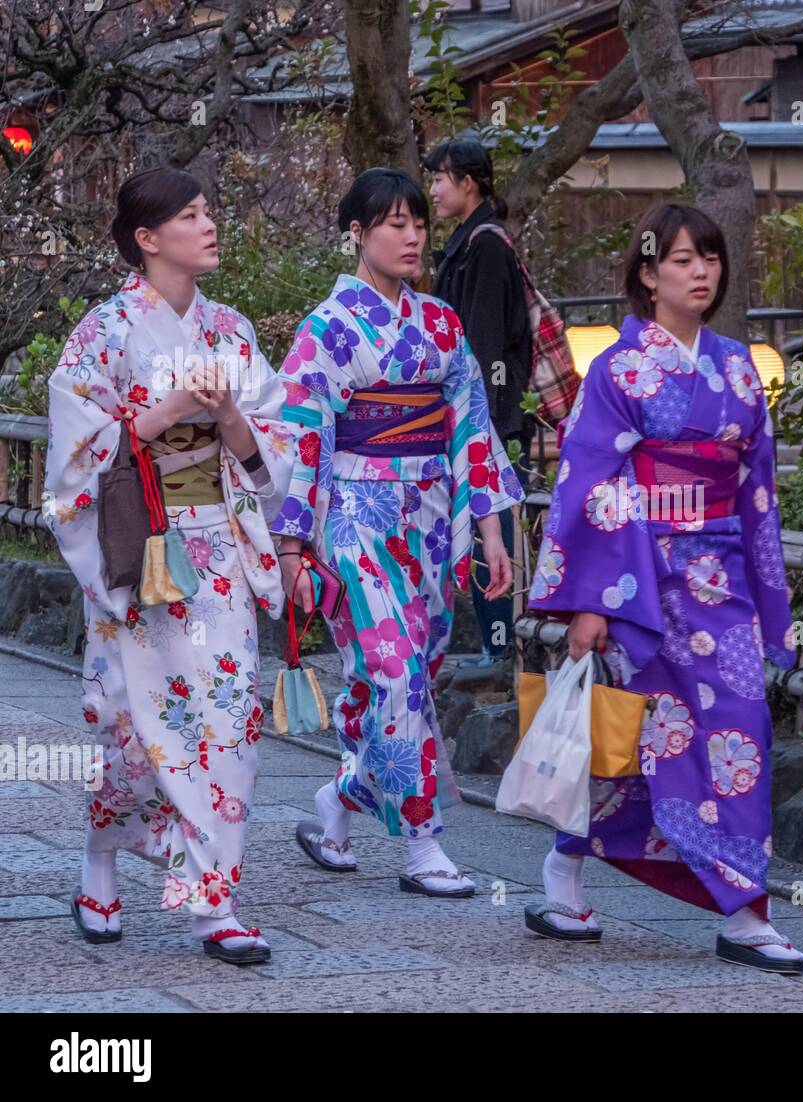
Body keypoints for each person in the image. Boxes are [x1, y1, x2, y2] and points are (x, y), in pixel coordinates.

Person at [523, 203, 803, 974]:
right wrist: (590, 603)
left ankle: (747, 909)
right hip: (641, 584)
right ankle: (566, 871)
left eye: (710, 258)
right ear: (648, 275)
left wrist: (764, 585)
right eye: (683, 260)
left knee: (741, 727)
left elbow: (758, 489)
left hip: (723, 580)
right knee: (636, 735)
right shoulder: (619, 369)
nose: (701, 272)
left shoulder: (741, 365)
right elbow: (590, 478)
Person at [45, 166, 297, 965]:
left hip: (217, 545)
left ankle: (210, 903)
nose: (209, 224)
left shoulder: (234, 330)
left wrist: (226, 415)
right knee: (129, 726)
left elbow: (275, 453)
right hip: (139, 549)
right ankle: (99, 864)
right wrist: (165, 413)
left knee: (227, 729)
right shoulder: (103, 333)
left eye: (207, 210)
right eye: (191, 215)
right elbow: (72, 467)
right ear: (148, 239)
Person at [271, 167, 523, 896]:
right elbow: (302, 437)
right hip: (353, 517)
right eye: (394, 223)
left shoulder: (440, 324)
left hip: (433, 521)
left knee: (408, 678)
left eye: (419, 221)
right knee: (396, 675)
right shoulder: (326, 331)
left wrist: (490, 530)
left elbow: (470, 428)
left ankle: (342, 796)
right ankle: (423, 844)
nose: (413, 235)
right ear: (357, 232)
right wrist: (292, 544)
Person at [428, 139, 533, 669]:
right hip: (475, 413)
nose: (434, 190)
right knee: (480, 526)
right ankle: (491, 644)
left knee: (493, 524)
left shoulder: (486, 246)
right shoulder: (471, 242)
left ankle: (500, 646)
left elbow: (484, 341)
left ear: (468, 180)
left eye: (440, 178)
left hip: (488, 412)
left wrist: (478, 425)